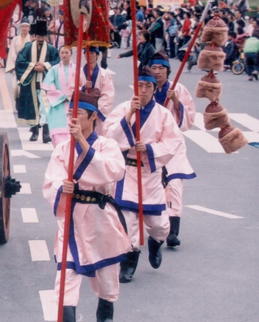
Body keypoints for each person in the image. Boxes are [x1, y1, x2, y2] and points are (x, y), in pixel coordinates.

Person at [43, 91, 130, 322]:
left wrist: (82, 142)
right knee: (66, 276)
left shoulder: (107, 145)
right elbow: (51, 181)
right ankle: (67, 315)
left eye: (78, 113)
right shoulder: (62, 149)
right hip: (71, 217)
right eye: (70, 113)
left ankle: (105, 310)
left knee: (106, 278)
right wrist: (63, 186)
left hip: (99, 218)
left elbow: (113, 172)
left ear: (92, 117)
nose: (72, 117)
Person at [103, 66, 184, 283]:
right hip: (127, 171)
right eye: (140, 85)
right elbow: (109, 135)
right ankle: (129, 260)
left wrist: (148, 150)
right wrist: (129, 115)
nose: (144, 89)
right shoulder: (122, 108)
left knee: (159, 225)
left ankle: (156, 242)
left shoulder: (163, 114)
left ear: (153, 88)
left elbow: (173, 142)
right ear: (134, 86)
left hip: (150, 173)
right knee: (128, 223)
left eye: (148, 85)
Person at [149, 51, 196, 247]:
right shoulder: (146, 89)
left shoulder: (179, 89)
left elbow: (188, 120)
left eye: (161, 68)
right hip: (153, 145)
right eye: (154, 68)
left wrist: (176, 101)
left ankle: (173, 232)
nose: (158, 72)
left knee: (175, 184)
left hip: (174, 144)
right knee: (156, 187)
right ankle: (158, 226)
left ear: (168, 71)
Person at [15, 20, 60, 142]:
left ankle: (46, 133)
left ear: (45, 37)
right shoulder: (28, 47)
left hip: (46, 82)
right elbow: (20, 61)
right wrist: (33, 66)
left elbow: (57, 62)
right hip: (31, 81)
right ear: (35, 36)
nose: (40, 38)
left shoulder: (51, 49)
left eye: (42, 36)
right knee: (32, 107)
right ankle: (34, 132)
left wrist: (45, 66)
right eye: (38, 36)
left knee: (45, 107)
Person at [41, 46, 76, 148]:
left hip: (72, 103)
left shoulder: (77, 69)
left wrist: (71, 95)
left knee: (72, 128)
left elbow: (80, 86)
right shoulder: (54, 69)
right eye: (62, 53)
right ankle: (59, 149)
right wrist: (61, 96)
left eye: (66, 53)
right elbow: (48, 86)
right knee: (58, 131)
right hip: (57, 104)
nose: (64, 55)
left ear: (71, 54)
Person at [79, 47, 115, 133]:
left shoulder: (104, 74)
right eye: (86, 53)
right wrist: (83, 88)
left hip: (97, 112)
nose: (89, 55)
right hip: (82, 112)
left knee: (98, 137)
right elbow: (72, 91)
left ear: (97, 55)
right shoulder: (78, 73)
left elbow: (108, 94)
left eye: (92, 53)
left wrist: (95, 109)